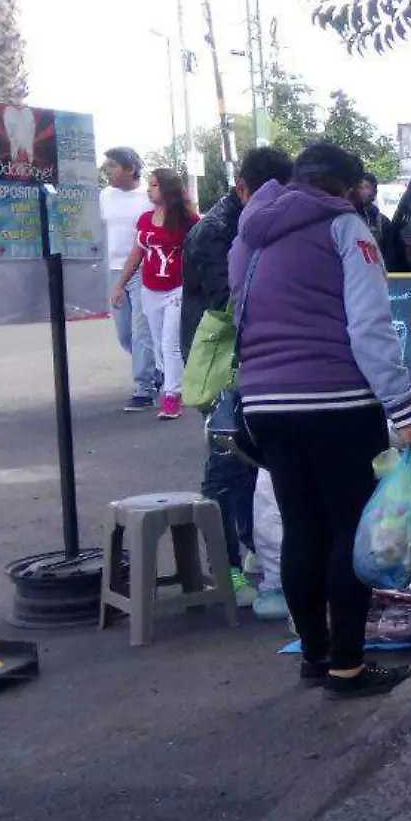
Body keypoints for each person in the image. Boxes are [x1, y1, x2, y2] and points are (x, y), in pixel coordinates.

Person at [230, 142, 411, 699]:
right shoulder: (347, 229)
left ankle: (313, 656)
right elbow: (369, 328)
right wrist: (403, 408)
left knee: (302, 527)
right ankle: (347, 665)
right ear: (342, 186)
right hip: (338, 400)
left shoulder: (249, 233)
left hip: (265, 404)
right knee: (347, 530)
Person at [181, 145, 295, 615]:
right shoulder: (215, 231)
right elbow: (229, 303)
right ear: (242, 188)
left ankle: (253, 546)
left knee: (257, 461)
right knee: (226, 463)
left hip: (257, 358)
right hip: (219, 361)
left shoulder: (264, 224)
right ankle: (222, 561)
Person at [111, 169, 198, 420]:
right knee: (159, 344)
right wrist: (120, 284)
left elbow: (200, 250)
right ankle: (172, 382)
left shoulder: (188, 221)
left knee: (170, 343)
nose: (149, 190)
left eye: (155, 185)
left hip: (177, 289)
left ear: (168, 189)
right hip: (151, 289)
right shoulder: (145, 220)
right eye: (149, 185)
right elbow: (136, 255)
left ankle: (173, 395)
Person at [101, 147, 161, 411]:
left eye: (113, 165)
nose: (107, 171)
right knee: (124, 333)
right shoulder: (104, 196)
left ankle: (144, 387)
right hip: (113, 269)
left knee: (141, 331)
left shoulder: (148, 197)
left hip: (142, 268)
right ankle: (156, 371)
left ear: (130, 169)